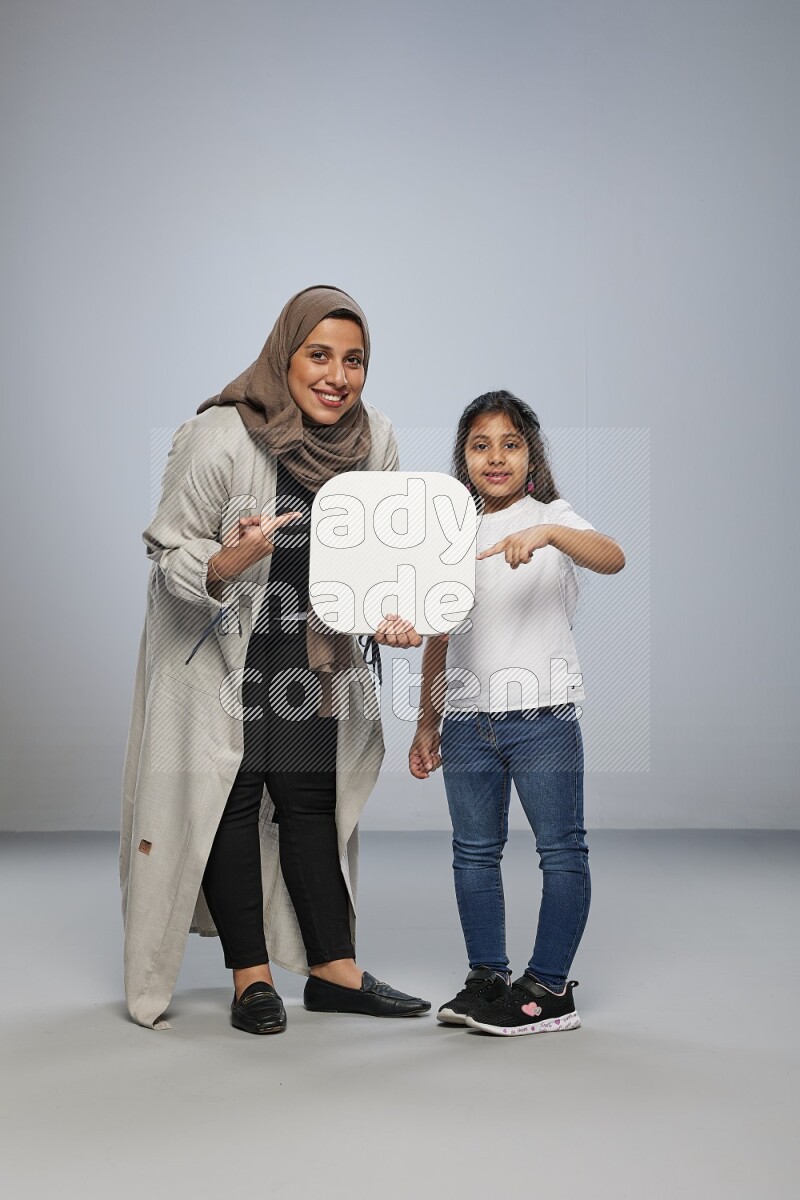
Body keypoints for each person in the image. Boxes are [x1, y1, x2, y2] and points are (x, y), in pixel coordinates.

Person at [121, 285, 428, 1032]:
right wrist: (227, 561)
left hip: (310, 653)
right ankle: (249, 977)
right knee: (235, 796)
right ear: (284, 356)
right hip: (223, 651)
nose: (338, 376)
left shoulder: (374, 439)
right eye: (318, 355)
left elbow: (384, 561)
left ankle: (333, 969)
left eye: (354, 360)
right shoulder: (221, 433)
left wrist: (395, 614)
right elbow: (167, 550)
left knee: (311, 802)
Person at [408, 390, 625, 1036]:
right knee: (474, 853)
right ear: (463, 457)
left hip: (543, 723)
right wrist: (427, 720)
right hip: (469, 724)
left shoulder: (553, 515)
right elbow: (439, 636)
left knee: (561, 852)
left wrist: (550, 532)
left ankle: (551, 987)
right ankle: (487, 979)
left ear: (530, 455)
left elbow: (613, 557)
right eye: (480, 445)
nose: (495, 457)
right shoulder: (454, 532)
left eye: (509, 444)